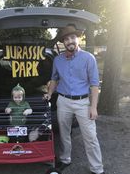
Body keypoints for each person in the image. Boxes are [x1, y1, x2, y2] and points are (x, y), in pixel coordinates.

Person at [44, 25, 105, 174]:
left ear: (77, 38)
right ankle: (65, 159)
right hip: (63, 101)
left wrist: (93, 107)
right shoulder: (58, 60)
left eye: (72, 37)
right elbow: (54, 79)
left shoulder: (88, 58)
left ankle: (97, 168)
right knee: (64, 133)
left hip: (83, 102)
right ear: (63, 42)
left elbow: (94, 84)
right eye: (66, 39)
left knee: (90, 136)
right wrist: (49, 93)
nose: (69, 41)